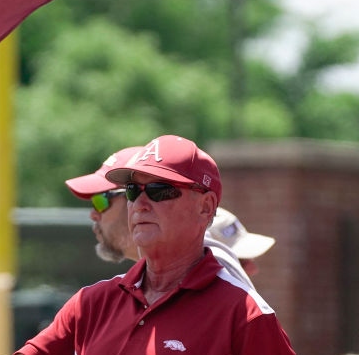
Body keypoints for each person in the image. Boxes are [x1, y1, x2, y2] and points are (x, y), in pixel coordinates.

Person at [18, 135, 295, 354]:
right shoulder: (91, 304)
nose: (139, 204)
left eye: (158, 190)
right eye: (132, 191)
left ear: (206, 207)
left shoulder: (245, 315)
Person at [65, 148, 276, 289]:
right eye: (133, 191)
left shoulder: (233, 305)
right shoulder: (109, 298)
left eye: (101, 200)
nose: (93, 213)